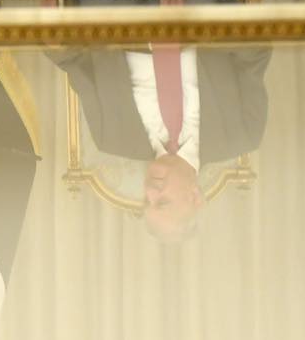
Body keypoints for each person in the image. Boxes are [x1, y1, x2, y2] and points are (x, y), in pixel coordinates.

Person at [53, 45, 270, 240]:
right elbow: (255, 54)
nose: (150, 191)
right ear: (194, 196)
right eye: (162, 202)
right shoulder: (243, 133)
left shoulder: (109, 137)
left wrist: (47, 36)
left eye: (147, 201)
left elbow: (74, 63)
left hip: (121, 22)